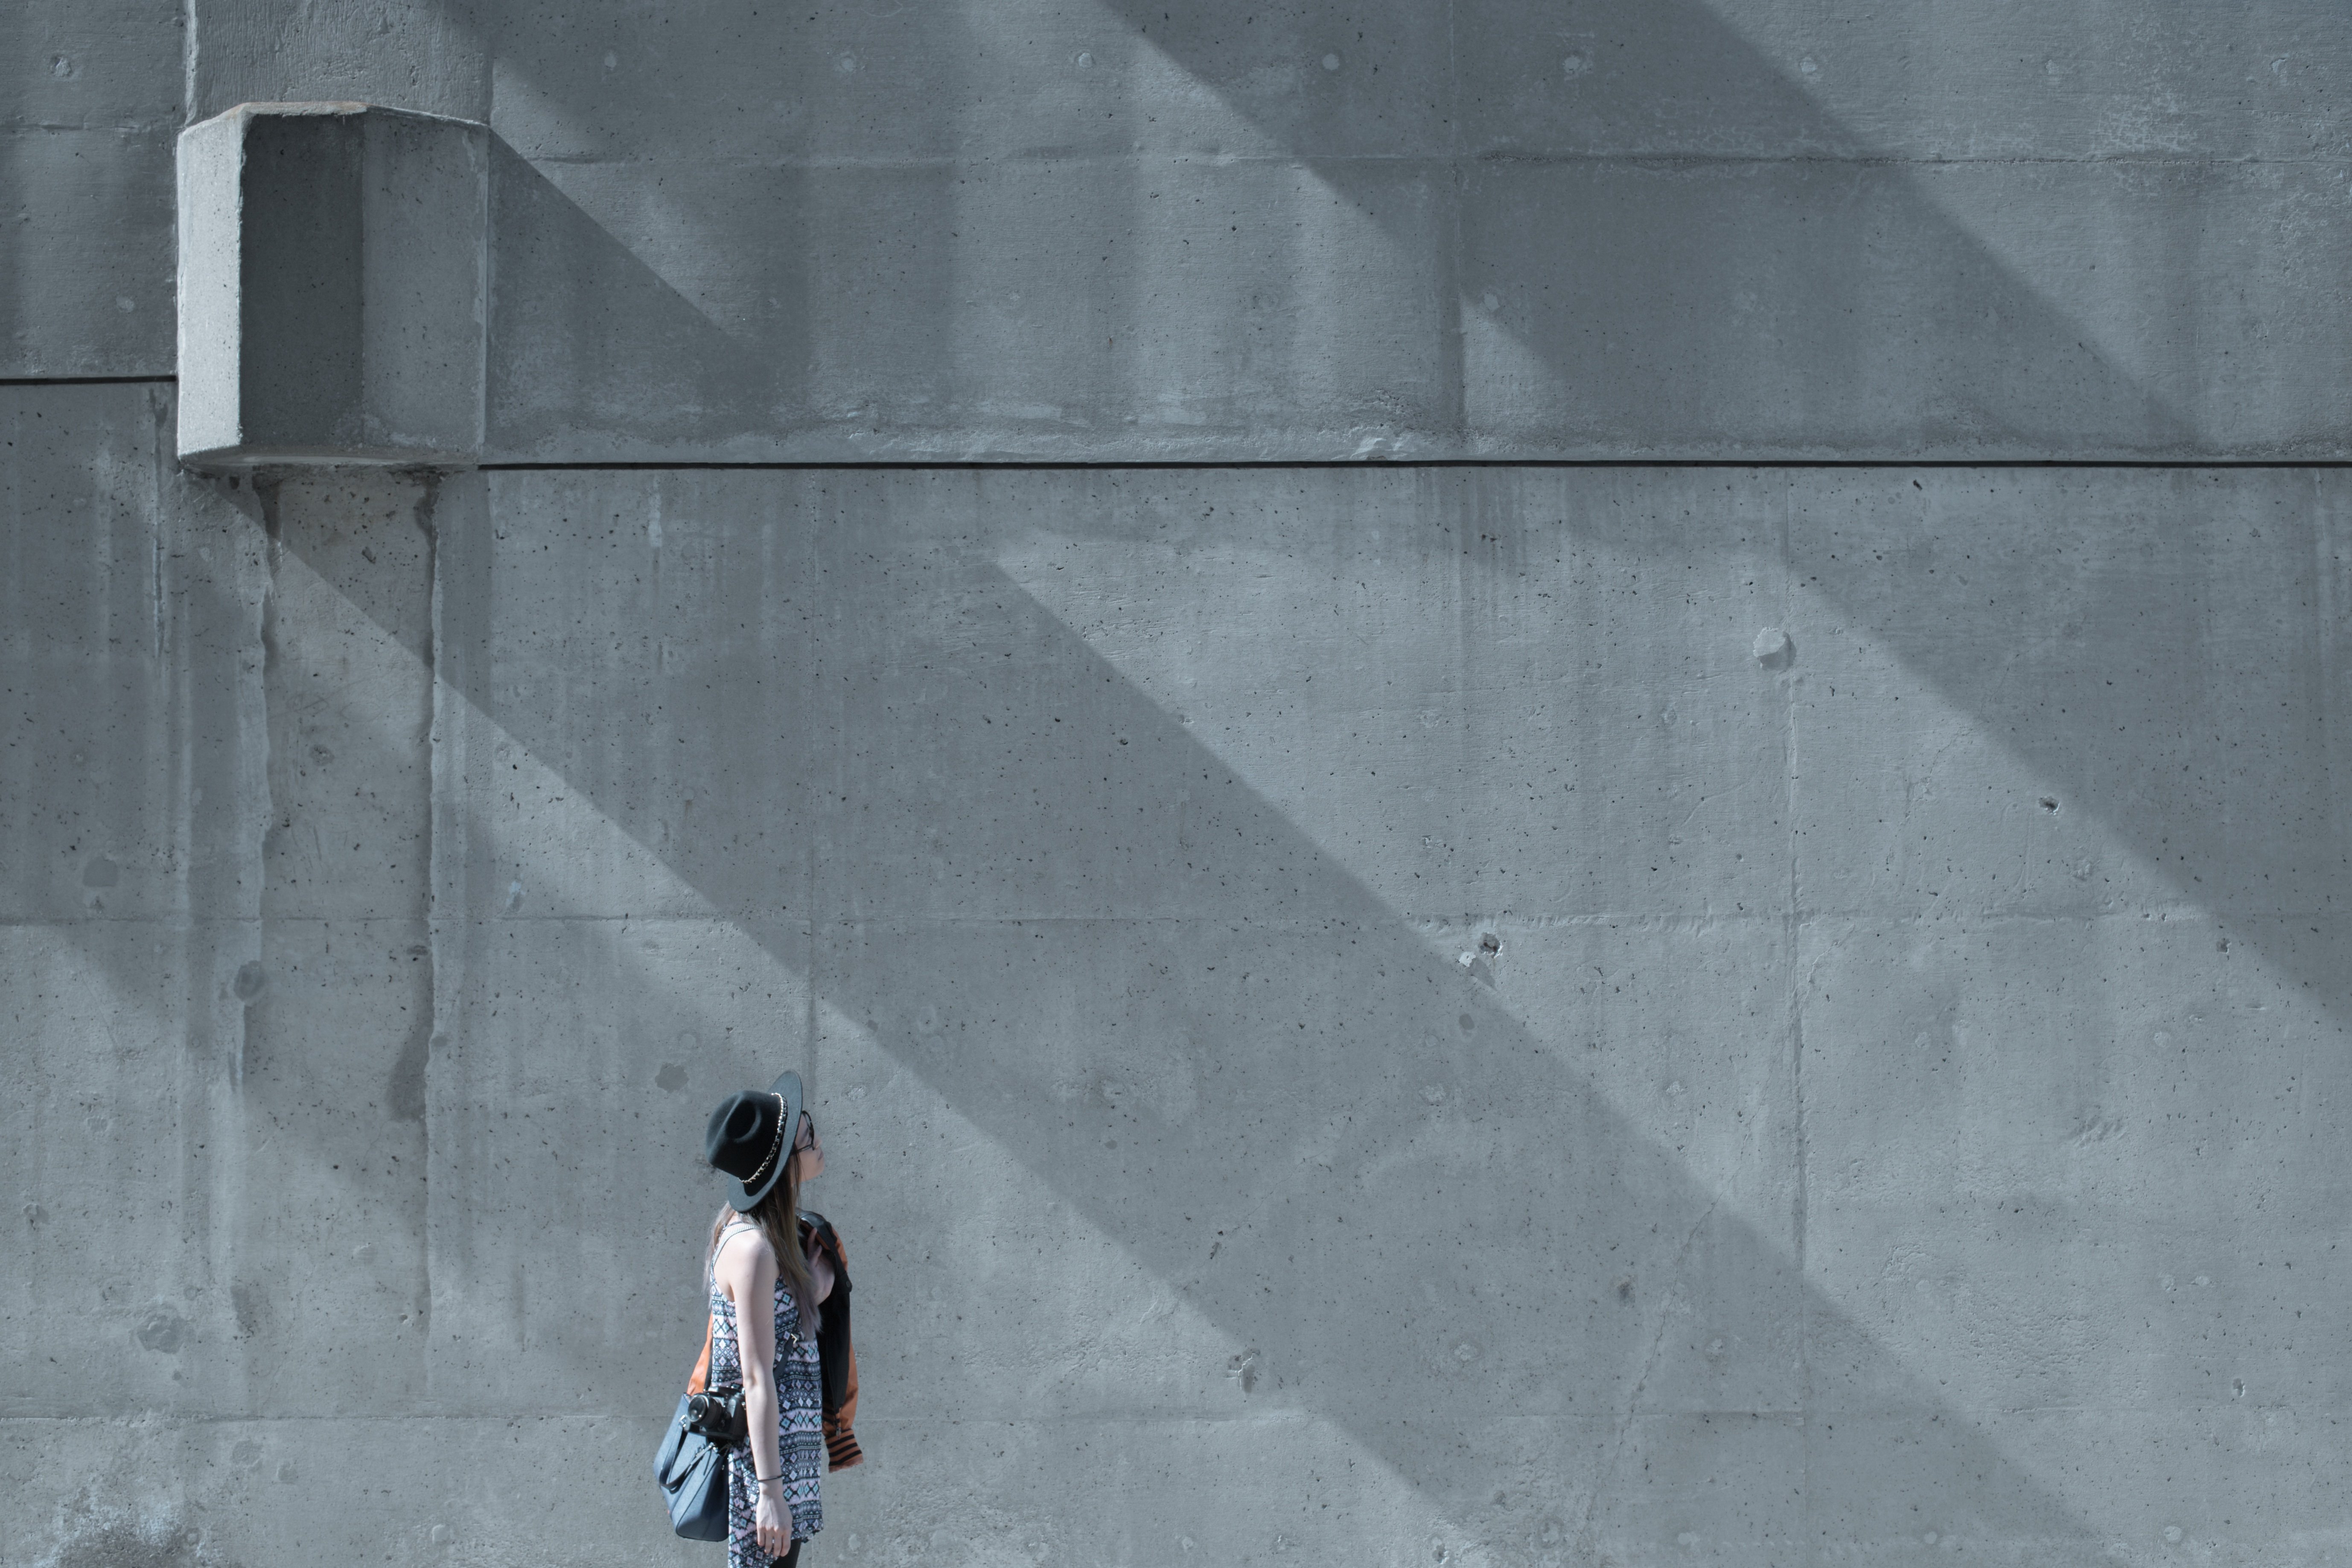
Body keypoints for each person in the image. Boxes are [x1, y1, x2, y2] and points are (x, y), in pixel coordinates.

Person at [702, 1072, 862, 1568]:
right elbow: (755, 1375)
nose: (817, 1138)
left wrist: (814, 1289)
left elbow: (778, 1337)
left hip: (789, 1454)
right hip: (764, 1466)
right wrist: (771, 1492)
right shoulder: (753, 1247)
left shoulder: (774, 1237)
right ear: (782, 1164)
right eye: (806, 1136)